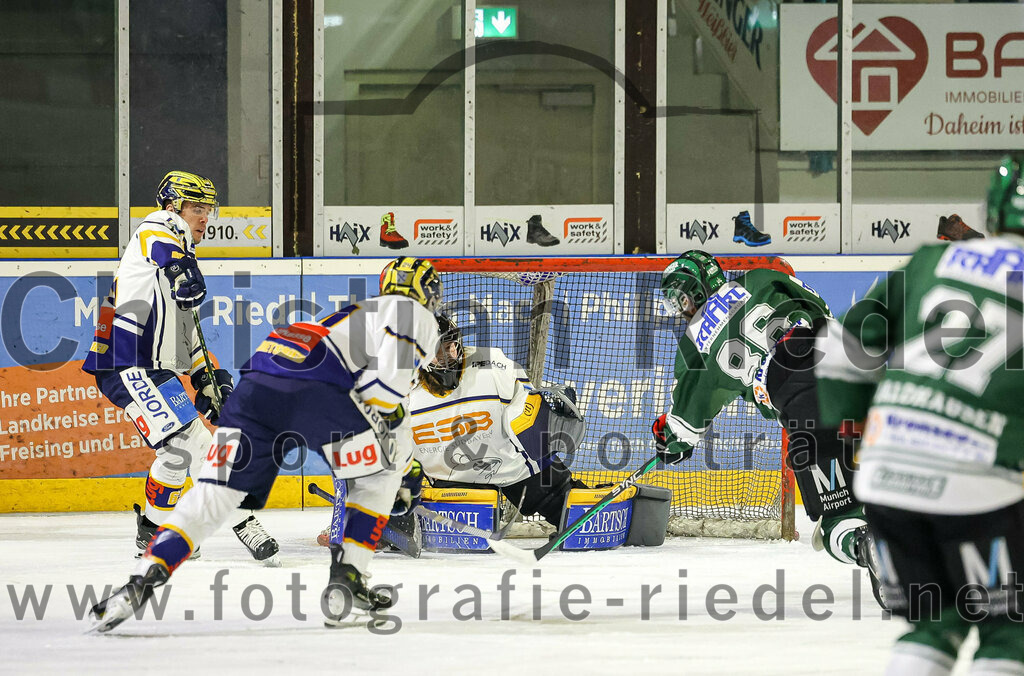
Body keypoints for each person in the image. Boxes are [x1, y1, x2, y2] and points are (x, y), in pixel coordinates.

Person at [89, 255, 443, 633]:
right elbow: (385, 397)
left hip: (262, 376)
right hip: (321, 386)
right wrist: (405, 470)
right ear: (429, 295)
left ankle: (142, 580)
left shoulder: (360, 313)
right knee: (376, 479)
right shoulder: (415, 314)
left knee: (212, 494)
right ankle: (348, 584)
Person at [815, 154, 1024, 675]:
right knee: (1009, 630)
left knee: (934, 623)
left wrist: (865, 430)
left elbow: (839, 349)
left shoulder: (931, 262)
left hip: (887, 483)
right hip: (982, 489)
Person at [82, 171, 278, 564]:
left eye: (208, 210)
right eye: (196, 209)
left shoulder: (179, 262)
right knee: (199, 443)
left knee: (176, 454)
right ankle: (246, 522)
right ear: (174, 206)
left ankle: (152, 531)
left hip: (147, 367)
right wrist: (178, 265)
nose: (205, 218)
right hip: (127, 361)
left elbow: (185, 333)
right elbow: (158, 241)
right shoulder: (161, 228)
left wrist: (206, 376)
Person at [651, 250, 871, 569]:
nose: (681, 309)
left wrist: (669, 439)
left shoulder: (692, 346)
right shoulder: (761, 276)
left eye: (680, 299)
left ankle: (863, 544)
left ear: (696, 291)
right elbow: (819, 309)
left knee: (838, 520)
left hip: (800, 398)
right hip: (847, 365)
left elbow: (684, 427)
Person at [407, 312, 586, 526]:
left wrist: (547, 415)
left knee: (564, 504)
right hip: (457, 479)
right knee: (466, 539)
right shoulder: (404, 392)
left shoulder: (491, 364)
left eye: (450, 345)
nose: (450, 354)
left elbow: (527, 402)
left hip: (513, 462)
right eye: (438, 350)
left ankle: (579, 509)